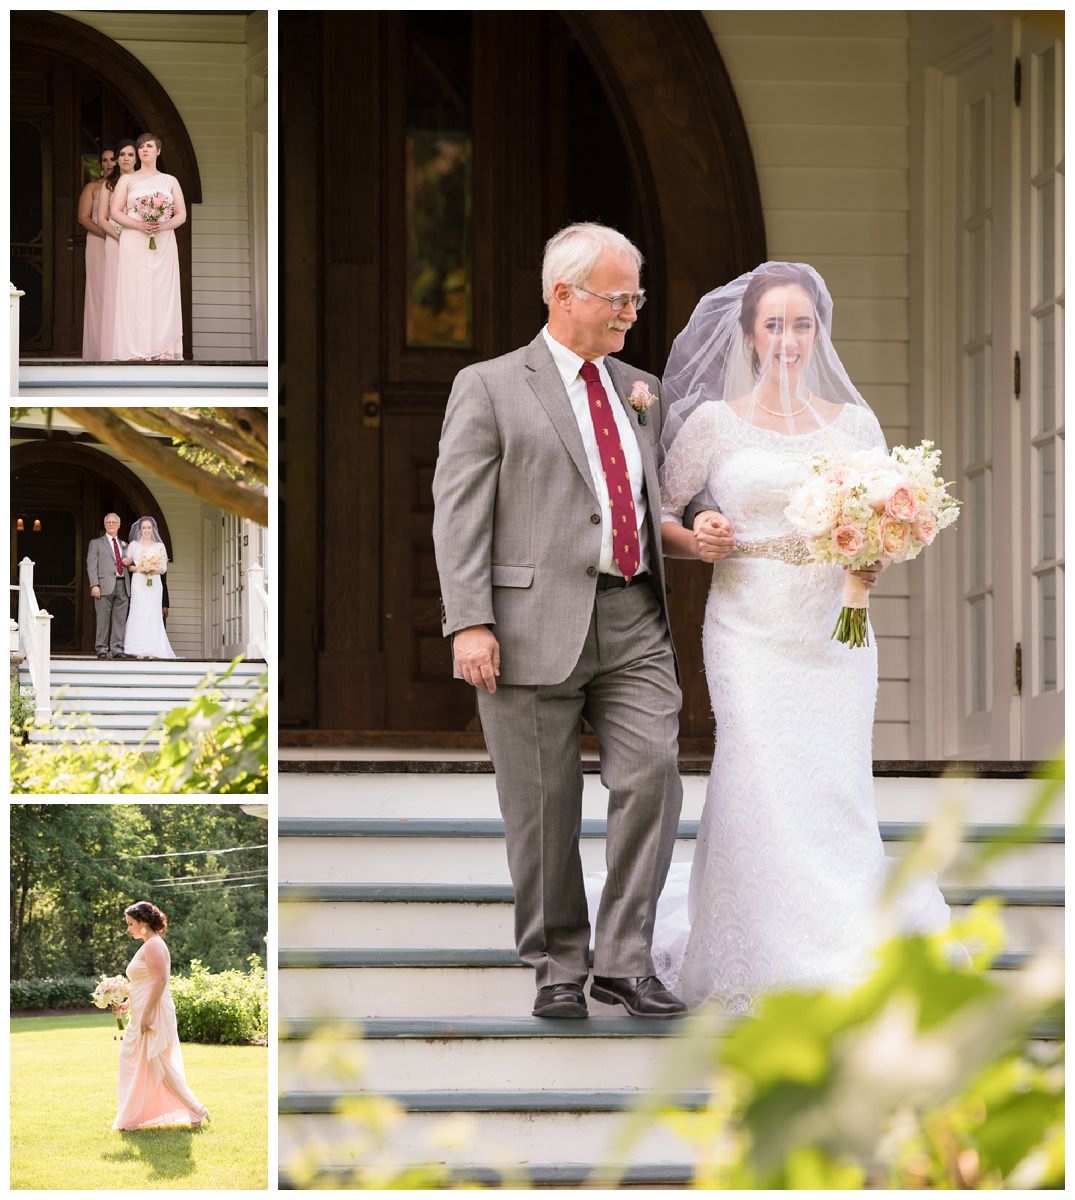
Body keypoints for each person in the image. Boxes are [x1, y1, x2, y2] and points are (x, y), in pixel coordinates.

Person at [648, 262, 951, 1014]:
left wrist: (876, 548)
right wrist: (698, 535)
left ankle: (840, 943)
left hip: (834, 630)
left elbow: (889, 517)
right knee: (758, 774)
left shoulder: (852, 425)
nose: (788, 338)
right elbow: (654, 515)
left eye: (801, 323)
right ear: (749, 335)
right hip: (747, 626)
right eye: (773, 324)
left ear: (819, 332)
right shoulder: (714, 424)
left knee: (832, 782)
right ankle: (753, 949)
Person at [432, 223, 716, 1021]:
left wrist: (699, 526)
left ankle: (625, 959)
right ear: (562, 295)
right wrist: (468, 622)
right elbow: (458, 516)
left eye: (636, 296)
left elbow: (655, 499)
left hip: (632, 617)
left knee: (651, 778)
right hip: (524, 624)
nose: (632, 311)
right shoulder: (487, 386)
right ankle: (557, 961)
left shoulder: (643, 388)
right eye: (617, 297)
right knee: (540, 804)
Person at [112, 901, 209, 1131]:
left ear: (144, 922)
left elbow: (160, 981)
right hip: (144, 1010)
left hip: (153, 1012)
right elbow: (143, 983)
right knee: (144, 1063)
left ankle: (195, 1109)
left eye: (131, 924)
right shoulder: (148, 945)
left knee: (159, 1064)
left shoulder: (154, 945)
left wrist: (146, 1015)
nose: (129, 929)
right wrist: (127, 1005)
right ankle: (133, 1116)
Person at [109, 131, 185, 361]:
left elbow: (181, 215)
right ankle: (135, 350)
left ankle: (163, 349)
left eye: (149, 146)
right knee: (134, 292)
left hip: (162, 241)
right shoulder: (127, 180)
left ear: (158, 151)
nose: (144, 149)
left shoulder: (170, 181)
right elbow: (114, 212)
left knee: (162, 292)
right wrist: (139, 225)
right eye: (141, 146)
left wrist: (162, 226)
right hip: (134, 240)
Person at [98, 138, 139, 361]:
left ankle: (135, 348)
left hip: (139, 245)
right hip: (116, 242)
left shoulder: (143, 182)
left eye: (129, 155)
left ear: (137, 158)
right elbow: (101, 218)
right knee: (115, 292)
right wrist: (121, 237)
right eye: (121, 155)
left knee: (136, 293)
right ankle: (114, 350)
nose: (125, 159)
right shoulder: (109, 185)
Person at [122, 517, 177, 660]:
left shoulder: (159, 546)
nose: (146, 530)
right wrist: (142, 569)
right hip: (139, 581)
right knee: (138, 611)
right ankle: (138, 649)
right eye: (144, 528)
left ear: (153, 529)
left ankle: (154, 649)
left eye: (149, 527)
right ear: (140, 530)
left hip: (154, 582)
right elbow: (129, 566)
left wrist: (151, 570)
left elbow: (163, 568)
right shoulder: (133, 545)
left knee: (152, 613)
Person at [78, 148, 114, 359]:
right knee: (99, 293)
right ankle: (96, 350)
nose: (108, 163)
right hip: (98, 242)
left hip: (121, 244)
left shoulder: (125, 185)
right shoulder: (92, 187)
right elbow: (84, 218)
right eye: (104, 160)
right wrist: (106, 234)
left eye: (112, 159)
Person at [86, 513, 132, 660]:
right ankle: (102, 649)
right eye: (109, 522)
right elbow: (91, 565)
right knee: (103, 619)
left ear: (119, 525)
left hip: (123, 585)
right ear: (105, 525)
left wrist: (130, 560)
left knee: (120, 620)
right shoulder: (96, 543)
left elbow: (131, 564)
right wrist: (94, 585)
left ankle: (117, 649)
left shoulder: (125, 545)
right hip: (104, 585)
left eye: (114, 522)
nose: (111, 525)